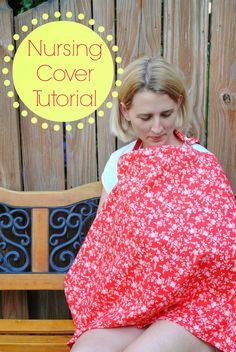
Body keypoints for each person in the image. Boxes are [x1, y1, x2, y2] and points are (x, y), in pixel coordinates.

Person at [64, 57, 235, 352]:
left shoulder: (201, 162)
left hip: (194, 305)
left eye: (166, 114)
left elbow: (224, 243)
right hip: (133, 302)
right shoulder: (119, 164)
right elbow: (105, 244)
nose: (157, 127)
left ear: (179, 103)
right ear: (126, 112)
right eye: (146, 117)